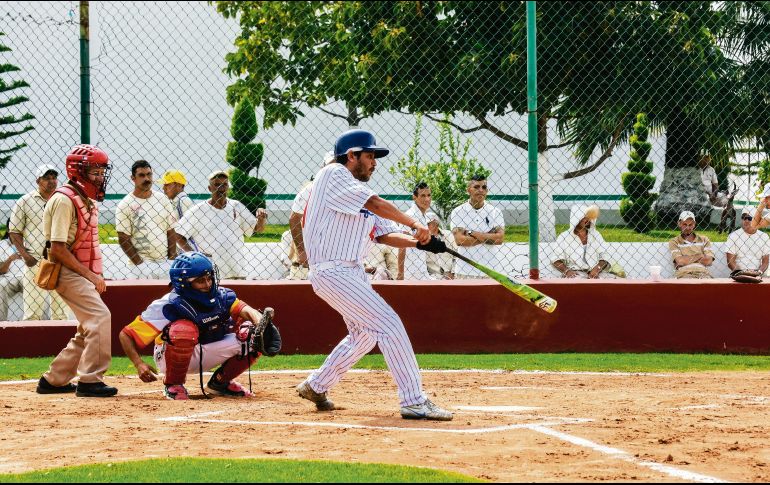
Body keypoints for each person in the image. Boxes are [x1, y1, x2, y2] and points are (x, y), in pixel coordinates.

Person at [296, 128, 452, 421]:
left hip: (350, 274)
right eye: (369, 156)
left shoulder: (354, 195)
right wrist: (413, 223)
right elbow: (376, 204)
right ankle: (414, 401)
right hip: (334, 270)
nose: (374, 162)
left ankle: (316, 385)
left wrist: (421, 243)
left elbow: (383, 234)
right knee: (389, 324)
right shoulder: (333, 174)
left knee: (365, 334)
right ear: (351, 156)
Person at [118, 252, 280, 400]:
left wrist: (261, 323)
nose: (208, 284)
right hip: (170, 356)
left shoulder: (222, 296)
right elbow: (126, 334)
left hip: (207, 349)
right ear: (184, 284)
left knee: (252, 334)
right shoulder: (167, 305)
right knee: (183, 330)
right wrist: (138, 364)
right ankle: (173, 385)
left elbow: (247, 310)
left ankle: (220, 383)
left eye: (209, 278)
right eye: (200, 281)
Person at [35, 144, 118, 398]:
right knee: (100, 318)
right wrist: (91, 275)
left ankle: (54, 379)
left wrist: (95, 273)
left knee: (87, 327)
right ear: (78, 171)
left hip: (80, 272)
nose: (100, 177)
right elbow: (58, 248)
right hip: (65, 270)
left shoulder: (84, 198)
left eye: (101, 171)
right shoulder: (63, 200)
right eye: (94, 171)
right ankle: (90, 380)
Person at [175, 170, 268, 279]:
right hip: (211, 273)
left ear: (228, 187)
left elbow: (257, 229)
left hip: (238, 270)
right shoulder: (199, 210)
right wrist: (195, 256)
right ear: (210, 188)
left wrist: (261, 219)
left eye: (224, 184)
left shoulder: (236, 206)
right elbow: (177, 235)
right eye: (217, 184)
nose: (221, 188)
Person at [8, 165, 70, 320]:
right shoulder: (25, 201)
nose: (51, 181)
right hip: (35, 260)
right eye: (46, 178)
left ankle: (60, 343)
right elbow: (14, 231)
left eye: (54, 178)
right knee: (32, 313)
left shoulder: (63, 200)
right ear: (38, 181)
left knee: (61, 313)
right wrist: (26, 257)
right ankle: (31, 344)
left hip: (60, 259)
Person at [115, 160, 177, 279]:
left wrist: (171, 260)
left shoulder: (162, 199)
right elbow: (123, 238)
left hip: (165, 262)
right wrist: (140, 265)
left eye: (149, 174)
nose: (147, 179)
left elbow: (171, 230)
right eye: (142, 175)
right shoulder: (125, 204)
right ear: (133, 178)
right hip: (141, 264)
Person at [288, 151, 337, 280]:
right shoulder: (310, 189)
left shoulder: (347, 190)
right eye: (330, 166)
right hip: (308, 259)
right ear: (323, 168)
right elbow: (294, 219)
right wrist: (302, 251)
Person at [450, 175, 505, 279]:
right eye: (476, 187)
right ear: (468, 190)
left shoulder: (495, 212)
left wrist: (471, 233)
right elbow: (460, 240)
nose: (481, 190)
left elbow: (499, 239)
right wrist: (489, 236)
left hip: (490, 270)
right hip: (465, 271)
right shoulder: (458, 212)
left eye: (484, 187)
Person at [551, 205, 618, 279]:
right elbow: (555, 259)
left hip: (595, 271)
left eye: (589, 217)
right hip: (575, 272)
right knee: (576, 282)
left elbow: (605, 255)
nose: (588, 220)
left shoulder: (595, 235)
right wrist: (567, 271)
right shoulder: (564, 237)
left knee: (612, 279)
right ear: (576, 218)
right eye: (584, 217)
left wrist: (597, 269)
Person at [397, 182, 432, 280]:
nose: (427, 199)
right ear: (414, 197)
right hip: (410, 272)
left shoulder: (423, 215)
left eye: (429, 195)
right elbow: (401, 246)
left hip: (421, 269)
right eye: (423, 196)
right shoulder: (410, 216)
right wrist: (400, 273)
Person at [668, 210, 714, 279]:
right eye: (685, 224)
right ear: (679, 223)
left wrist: (686, 259)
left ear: (694, 224)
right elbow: (680, 261)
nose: (688, 228)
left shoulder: (704, 239)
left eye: (690, 225)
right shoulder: (674, 241)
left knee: (708, 284)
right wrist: (700, 256)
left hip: (702, 273)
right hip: (684, 273)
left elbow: (708, 261)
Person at [727, 206, 770, 274]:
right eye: (744, 217)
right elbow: (730, 261)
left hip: (758, 273)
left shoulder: (764, 237)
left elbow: (765, 262)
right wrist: (741, 273)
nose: (746, 220)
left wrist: (758, 273)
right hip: (738, 273)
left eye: (750, 218)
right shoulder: (733, 236)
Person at [0, 219, 24, 321]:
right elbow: (1, 271)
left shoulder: (30, 242)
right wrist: (10, 259)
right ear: (9, 231)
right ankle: (1, 322)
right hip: (9, 278)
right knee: (0, 286)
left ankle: (35, 321)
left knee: (34, 287)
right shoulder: (2, 245)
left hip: (26, 276)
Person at [425, 212, 456, 279]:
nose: (425, 226)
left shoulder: (449, 235)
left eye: (427, 224)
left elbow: (456, 255)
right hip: (433, 276)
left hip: (452, 274)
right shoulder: (423, 240)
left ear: (436, 223)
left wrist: (453, 272)